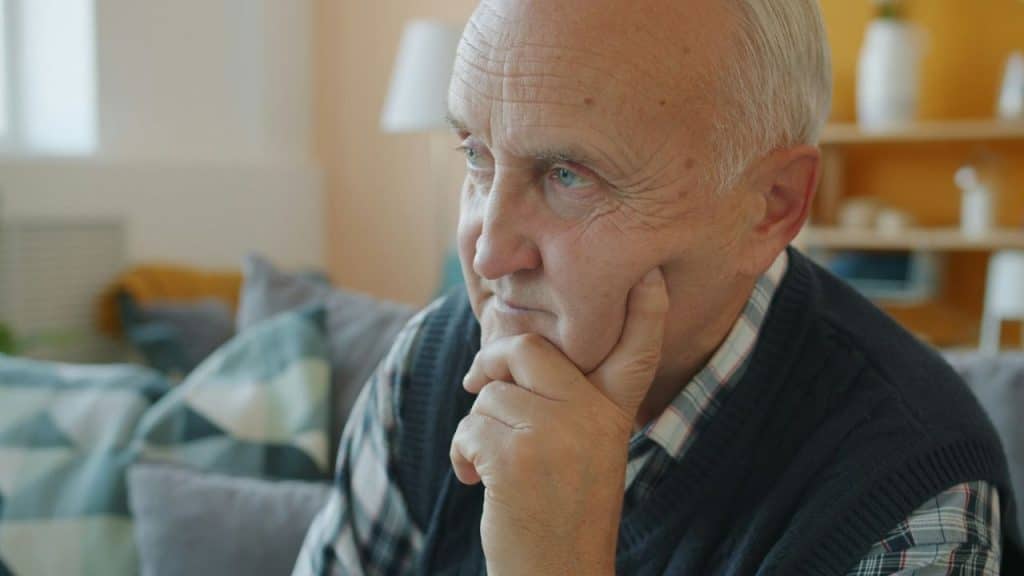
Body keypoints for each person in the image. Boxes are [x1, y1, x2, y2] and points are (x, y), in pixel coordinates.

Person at [294, 1, 1017, 574]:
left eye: (568, 176)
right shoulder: (427, 367)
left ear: (770, 205)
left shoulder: (915, 498)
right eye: (476, 157)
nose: (487, 252)